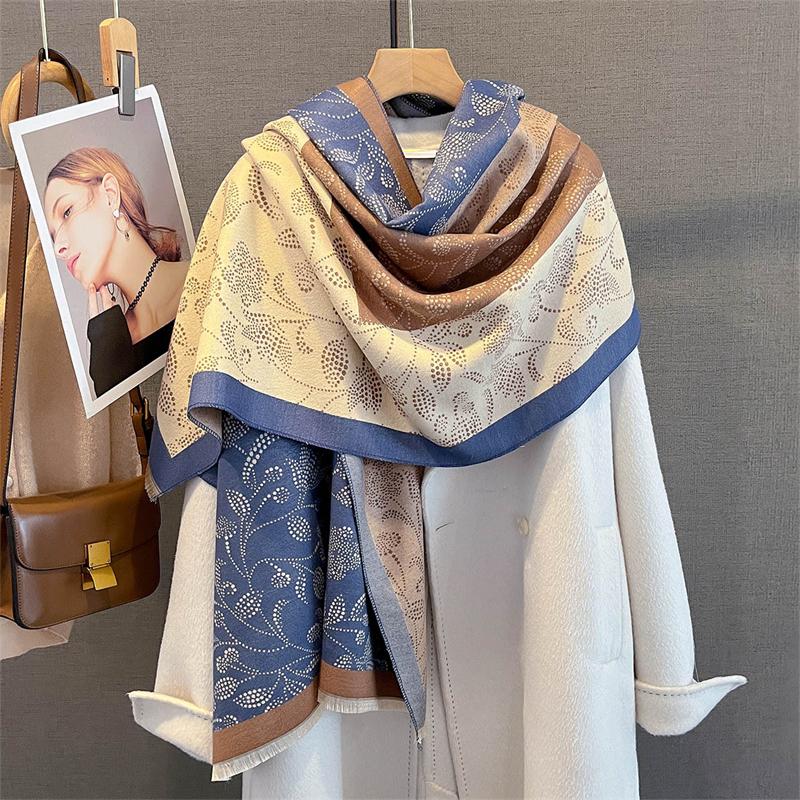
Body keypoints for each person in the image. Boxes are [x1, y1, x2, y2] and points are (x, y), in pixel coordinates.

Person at [42, 147, 189, 396]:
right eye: (53, 236)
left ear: (110, 194)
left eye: (66, 212)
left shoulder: (203, 277)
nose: (58, 248)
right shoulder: (110, 339)